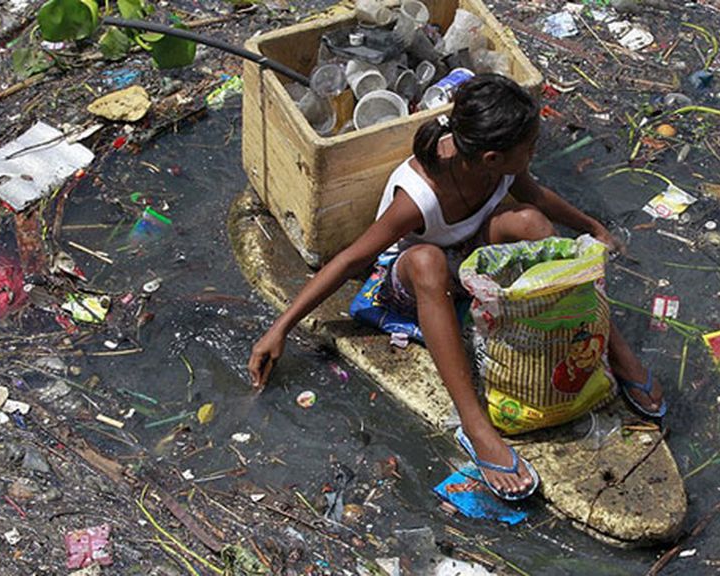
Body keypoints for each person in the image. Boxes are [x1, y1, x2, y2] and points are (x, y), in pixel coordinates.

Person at [248, 74, 665, 500]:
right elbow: (351, 259)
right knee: (428, 261)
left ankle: (615, 351)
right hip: (413, 280)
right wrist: (280, 328)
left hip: (467, 258)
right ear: (489, 157)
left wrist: (592, 228)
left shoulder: (503, 168)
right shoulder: (418, 197)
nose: (533, 154)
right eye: (529, 147)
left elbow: (537, 197)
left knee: (532, 224)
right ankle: (475, 425)